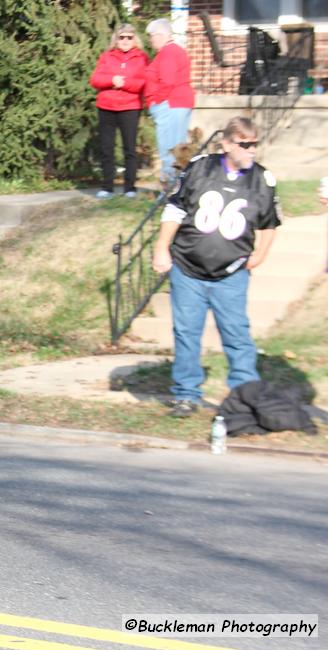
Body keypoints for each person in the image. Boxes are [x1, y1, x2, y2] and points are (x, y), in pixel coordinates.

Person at [151, 116, 280, 417]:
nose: (251, 150)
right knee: (186, 332)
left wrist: (260, 255)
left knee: (236, 333)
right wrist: (161, 248)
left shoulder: (262, 179)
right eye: (244, 144)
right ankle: (186, 394)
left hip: (231, 272)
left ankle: (244, 394)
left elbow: (270, 223)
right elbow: (175, 208)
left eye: (254, 144)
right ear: (227, 143)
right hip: (187, 266)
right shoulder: (200, 168)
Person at [90, 24, 148, 199]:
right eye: (122, 37)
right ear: (116, 38)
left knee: (129, 149)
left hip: (130, 107)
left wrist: (126, 83)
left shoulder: (142, 58)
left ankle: (129, 187)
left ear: (134, 39)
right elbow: (95, 79)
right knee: (107, 148)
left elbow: (144, 82)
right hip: (106, 107)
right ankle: (107, 187)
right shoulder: (107, 57)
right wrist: (112, 80)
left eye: (129, 37)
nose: (125, 41)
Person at [144, 18, 195, 189]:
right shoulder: (175, 51)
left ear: (160, 35)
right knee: (178, 148)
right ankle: (179, 187)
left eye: (152, 36)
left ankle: (171, 190)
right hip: (177, 103)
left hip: (170, 104)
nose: (151, 40)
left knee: (170, 149)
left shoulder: (168, 53)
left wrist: (155, 102)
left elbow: (167, 81)